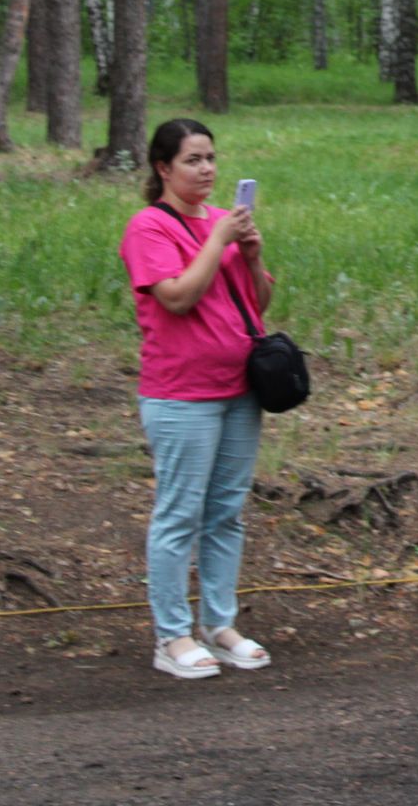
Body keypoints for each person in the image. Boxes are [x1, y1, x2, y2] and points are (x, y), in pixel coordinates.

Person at [118, 118, 275, 680]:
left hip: (239, 390)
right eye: (193, 160)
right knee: (179, 515)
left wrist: (251, 256)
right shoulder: (149, 228)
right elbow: (179, 297)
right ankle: (171, 636)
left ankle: (219, 623)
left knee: (226, 513)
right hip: (181, 396)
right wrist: (218, 242)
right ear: (163, 168)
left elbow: (258, 305)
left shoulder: (221, 223)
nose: (207, 170)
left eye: (211, 158)